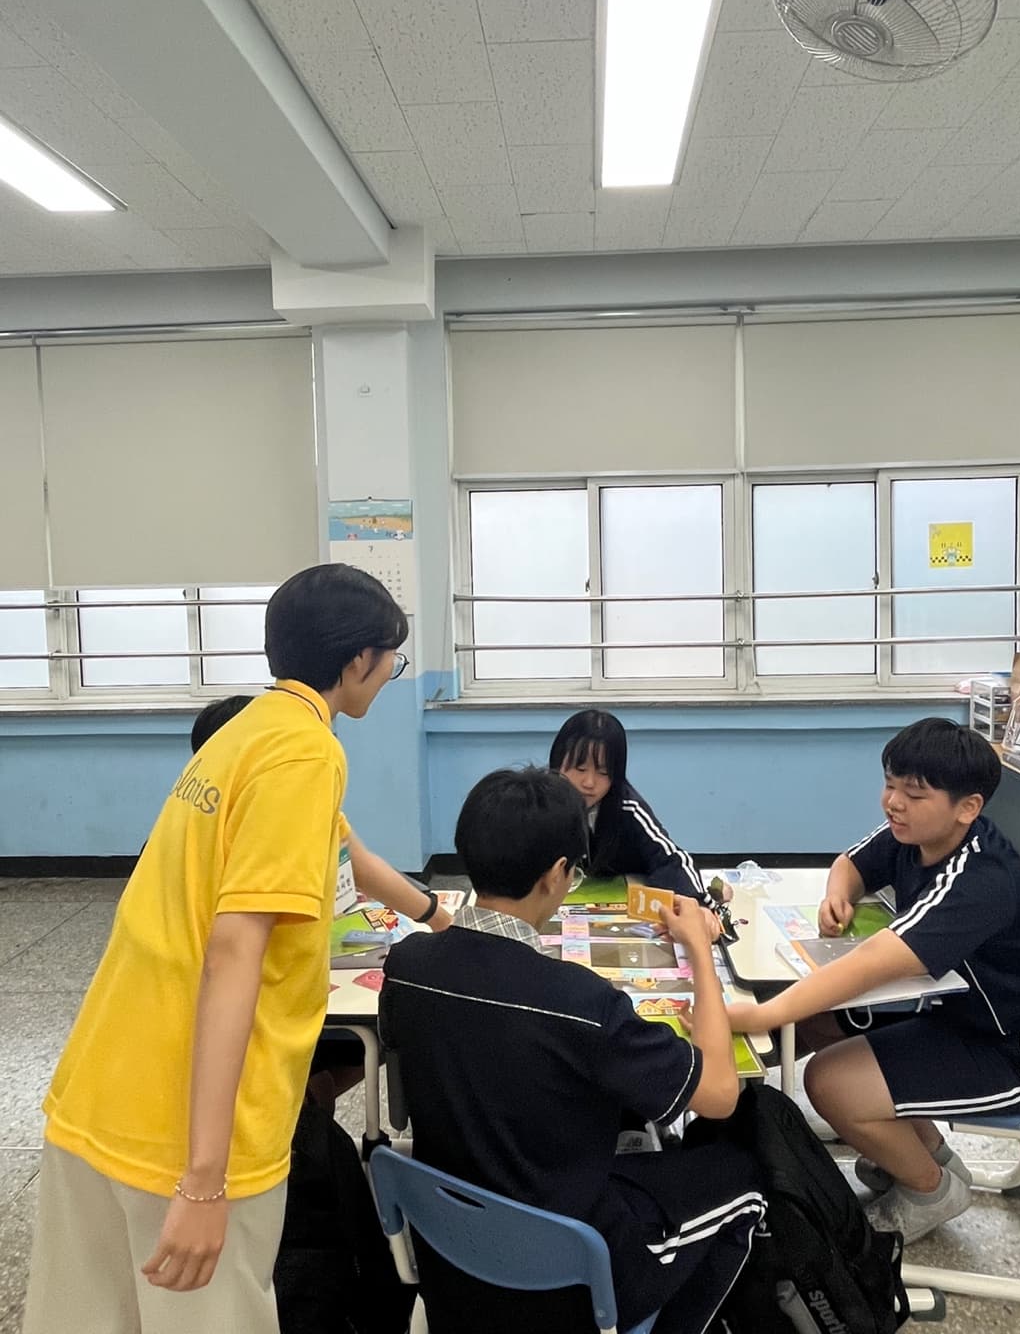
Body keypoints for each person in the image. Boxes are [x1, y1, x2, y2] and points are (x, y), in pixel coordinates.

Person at [23, 563, 408, 1334]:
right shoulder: (307, 754)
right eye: (391, 657)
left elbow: (349, 852)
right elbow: (235, 953)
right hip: (185, 1132)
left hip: (101, 1092)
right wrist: (204, 1180)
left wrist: (438, 915)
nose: (391, 670)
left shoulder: (246, 733)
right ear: (358, 659)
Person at [379, 767, 765, 1334]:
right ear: (558, 874)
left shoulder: (407, 967)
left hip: (452, 1254)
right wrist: (700, 953)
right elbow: (720, 1096)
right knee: (744, 1179)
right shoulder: (581, 1004)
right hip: (568, 1274)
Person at [726, 717, 1020, 1245]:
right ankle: (925, 1156)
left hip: (1019, 1051)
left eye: (914, 794)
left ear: (967, 808)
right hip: (955, 1016)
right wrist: (838, 895)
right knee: (822, 1024)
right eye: (890, 784)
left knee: (829, 1081)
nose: (893, 803)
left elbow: (872, 961)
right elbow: (851, 863)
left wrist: (762, 1013)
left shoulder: (980, 880)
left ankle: (930, 1191)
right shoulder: (916, 835)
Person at [190, 694, 452, 1105]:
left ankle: (315, 1099)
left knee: (373, 1038)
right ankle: (312, 1103)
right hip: (241, 1034)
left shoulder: (286, 806)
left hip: (293, 1001)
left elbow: (357, 860)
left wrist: (436, 915)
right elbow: (230, 959)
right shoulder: (235, 843)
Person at [549, 709, 731, 938]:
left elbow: (672, 859)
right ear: (557, 763)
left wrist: (698, 904)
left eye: (603, 772)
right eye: (580, 769)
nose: (589, 782)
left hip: (624, 903)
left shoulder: (628, 808)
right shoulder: (542, 802)